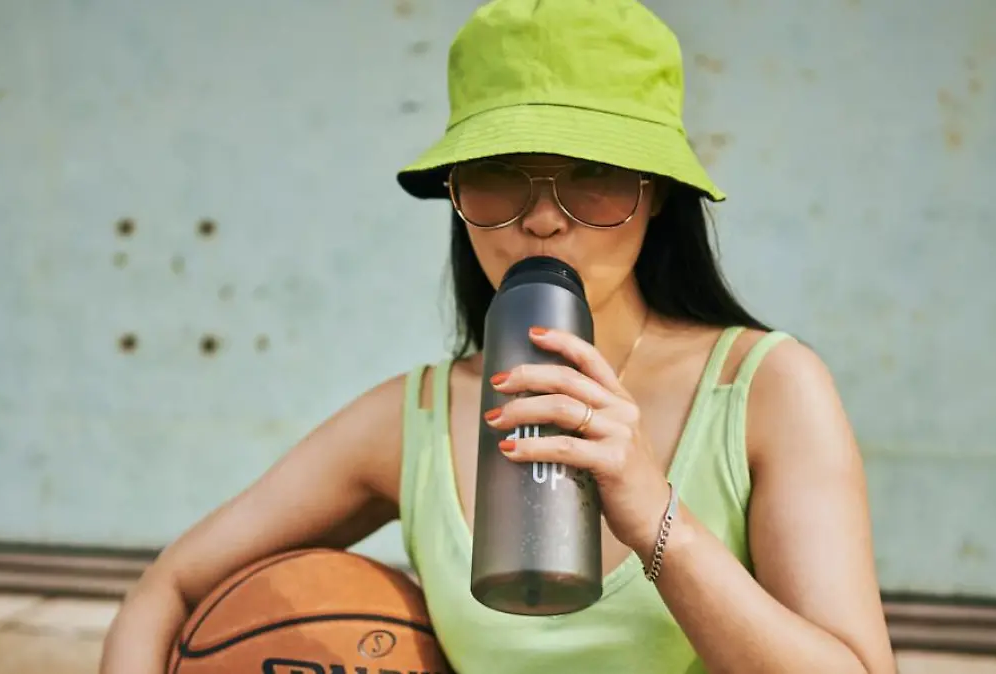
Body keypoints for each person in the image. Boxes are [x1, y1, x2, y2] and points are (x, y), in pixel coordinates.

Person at [100, 1, 897, 672]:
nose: (543, 216)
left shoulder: (764, 389)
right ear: (454, 195)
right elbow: (167, 588)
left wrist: (654, 512)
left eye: (595, 173)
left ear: (658, 196)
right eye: (497, 175)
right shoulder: (410, 419)